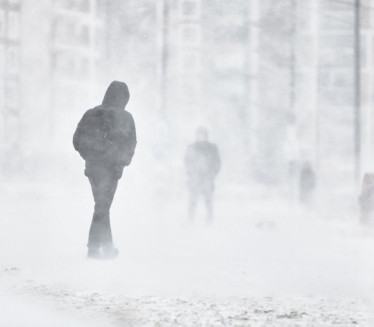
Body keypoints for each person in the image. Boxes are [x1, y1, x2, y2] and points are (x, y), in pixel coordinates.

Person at [73, 81, 137, 259]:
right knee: (102, 206)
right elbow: (131, 144)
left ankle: (107, 247)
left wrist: (90, 156)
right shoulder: (125, 117)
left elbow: (76, 140)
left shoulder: (91, 113)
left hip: (93, 168)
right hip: (112, 169)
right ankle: (93, 249)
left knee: (102, 205)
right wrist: (121, 162)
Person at [185, 127, 220, 222]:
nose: (200, 137)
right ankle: (190, 219)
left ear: (206, 136)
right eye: (198, 135)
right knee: (192, 200)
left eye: (202, 135)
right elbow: (187, 161)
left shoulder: (212, 148)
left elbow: (217, 162)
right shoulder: (191, 147)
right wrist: (190, 173)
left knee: (208, 201)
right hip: (195, 178)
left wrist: (213, 173)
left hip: (208, 178)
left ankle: (209, 221)